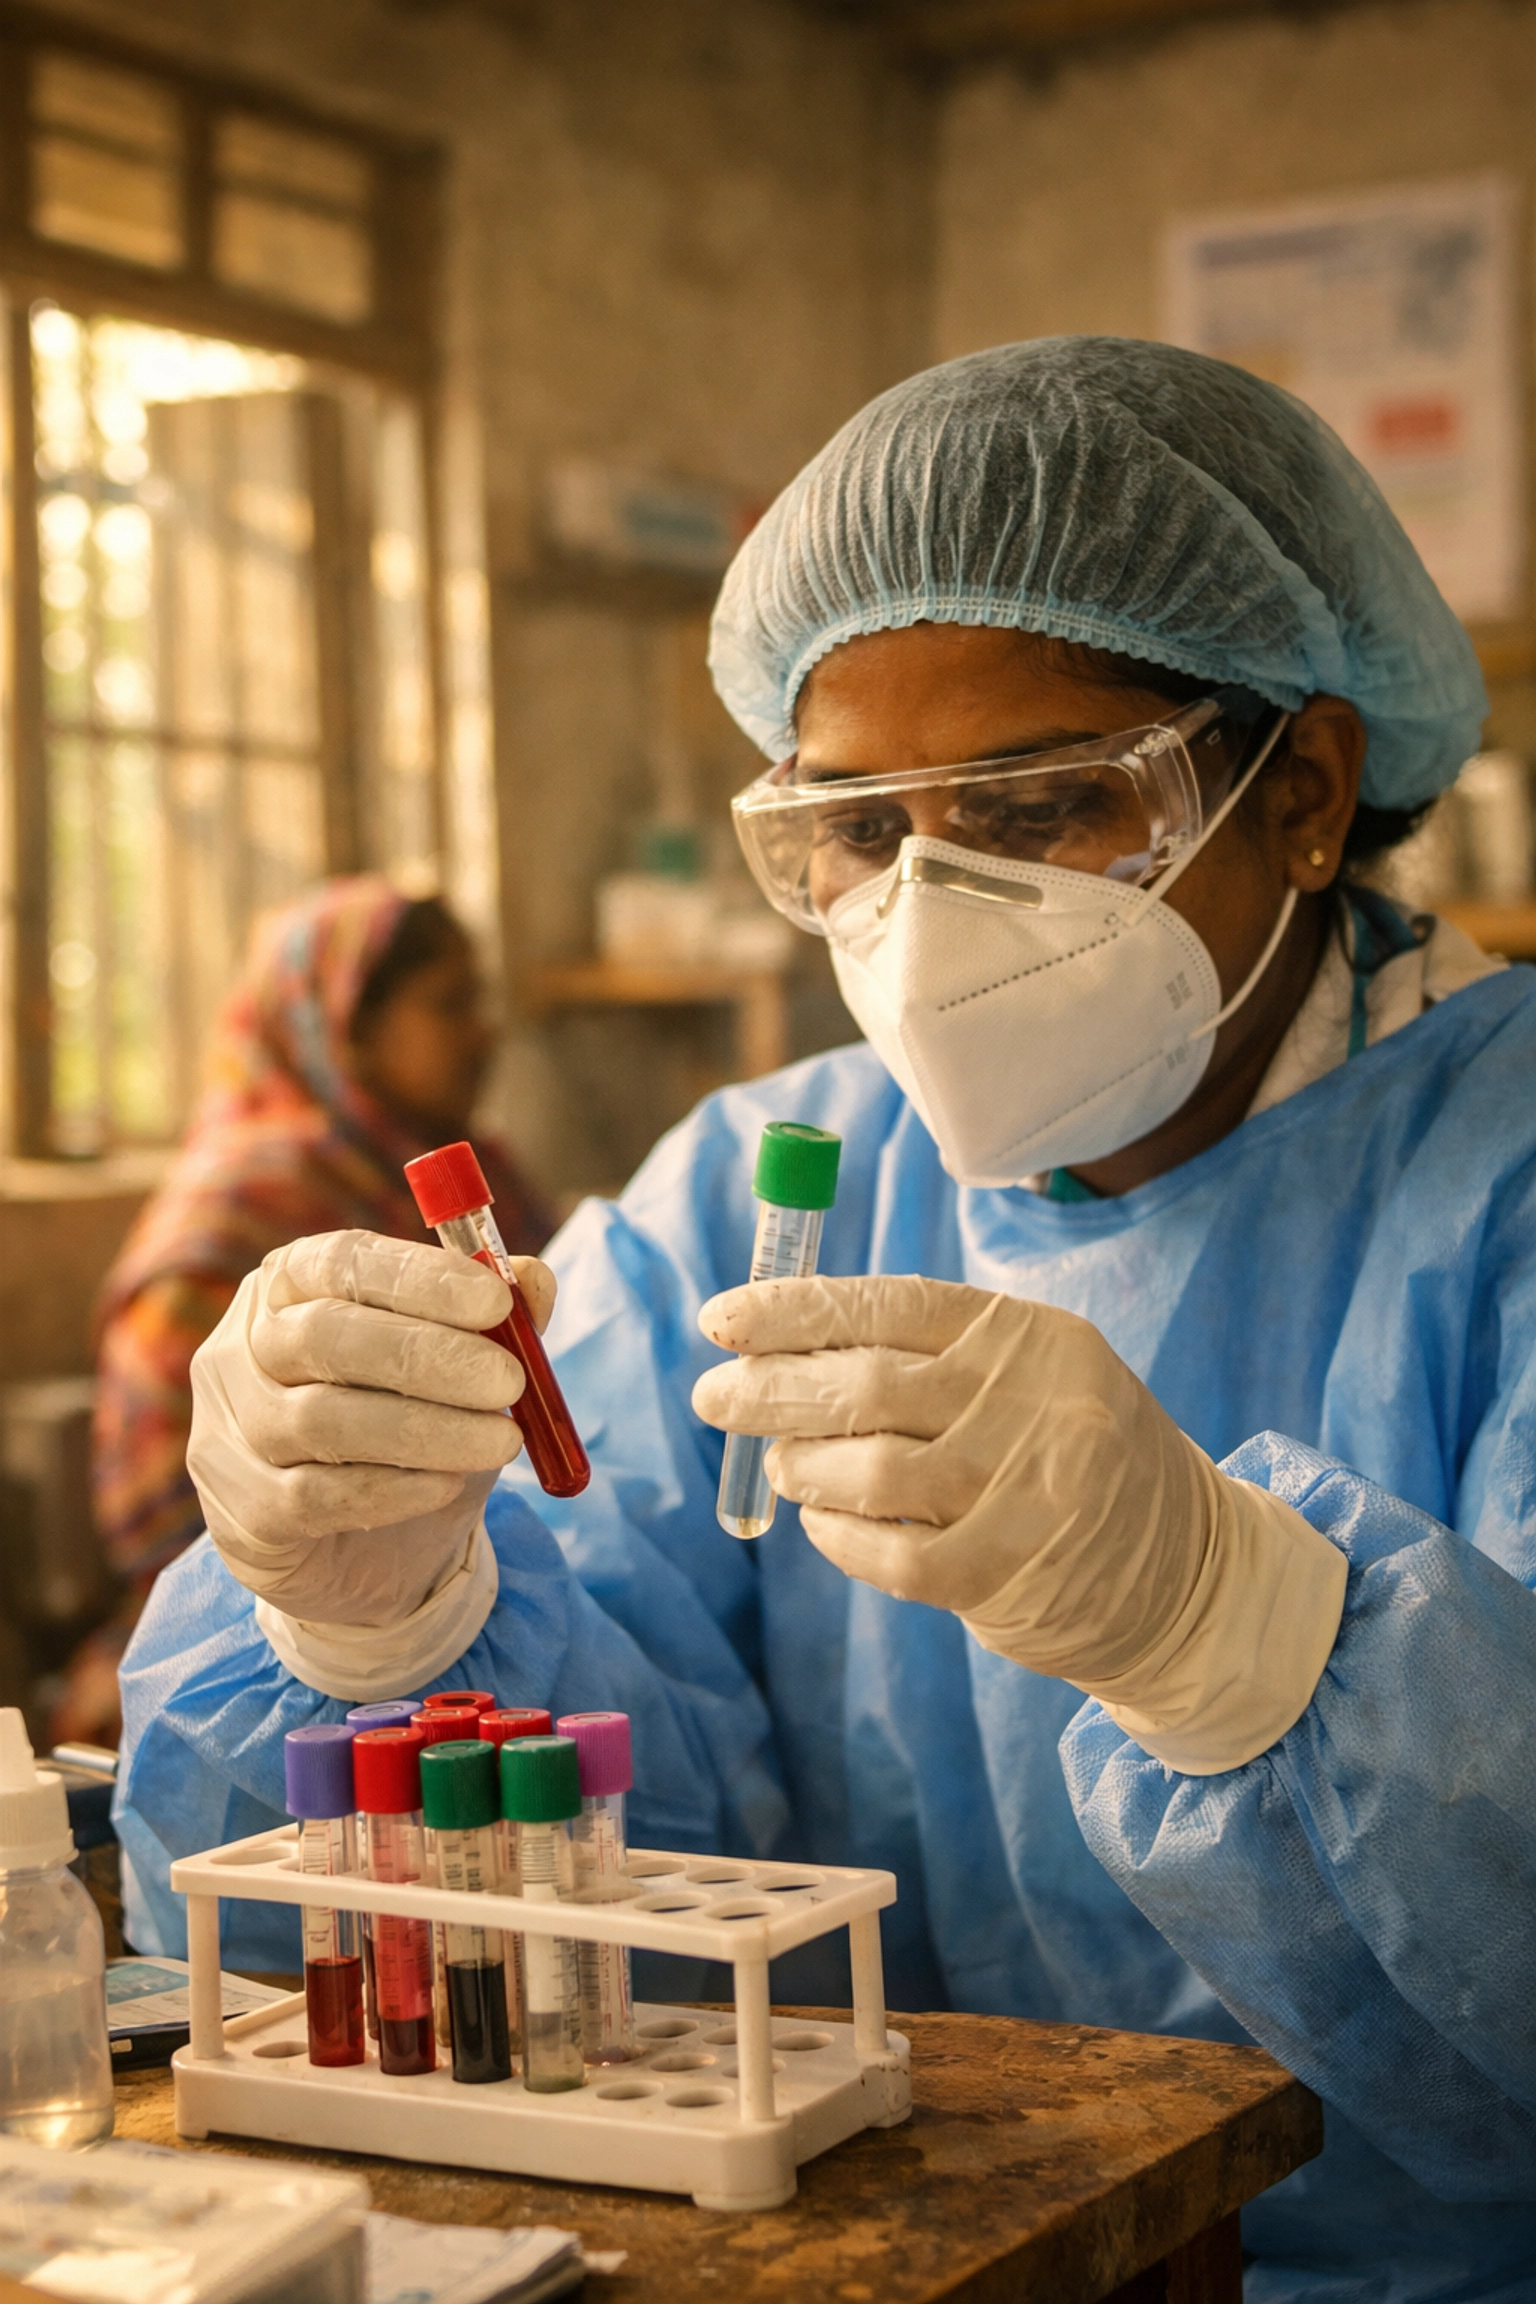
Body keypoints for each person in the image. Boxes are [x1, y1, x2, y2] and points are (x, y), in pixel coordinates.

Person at [116, 343, 1536, 2299]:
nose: (931, 907)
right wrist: (376, 1622)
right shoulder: (762, 1187)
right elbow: (537, 1946)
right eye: (861, 829)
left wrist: (1248, 1629)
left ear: (1303, 793)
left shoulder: (1508, 1172)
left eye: (1038, 804)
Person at [55, 876, 549, 1745]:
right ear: (346, 1027)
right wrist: (317, 1585)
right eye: (448, 1004)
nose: (484, 1033)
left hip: (492, 1616)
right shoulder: (235, 1218)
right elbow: (159, 1514)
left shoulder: (479, 1182)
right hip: (242, 1669)